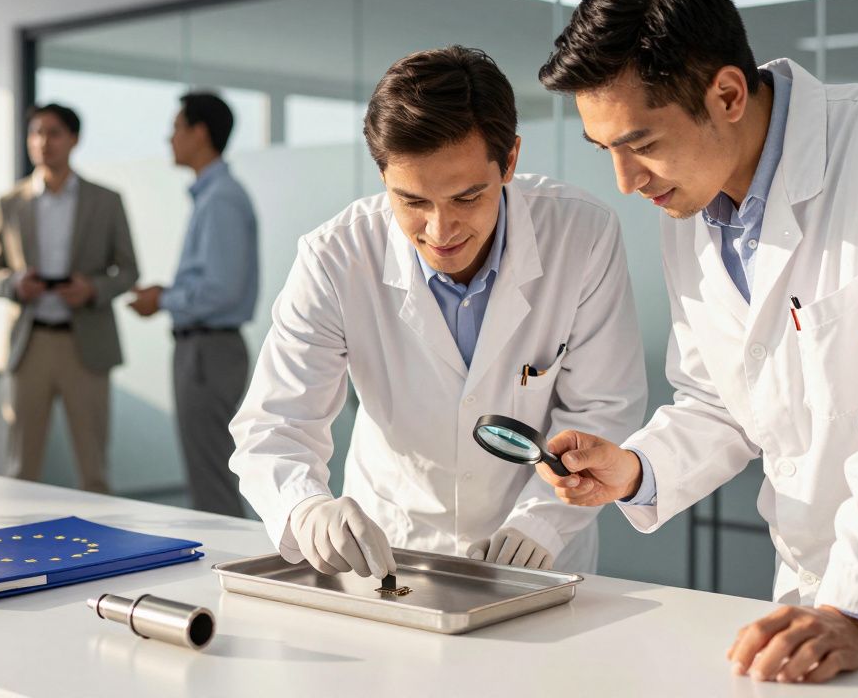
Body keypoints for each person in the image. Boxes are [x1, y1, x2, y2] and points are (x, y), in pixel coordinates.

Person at [536, 0, 858, 684]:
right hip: (815, 588)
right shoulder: (690, 203)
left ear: (728, 93)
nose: (626, 181)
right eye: (606, 151)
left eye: (641, 144)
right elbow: (722, 397)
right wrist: (636, 469)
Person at [229, 46, 647, 579]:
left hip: (540, 556)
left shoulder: (581, 235)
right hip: (391, 552)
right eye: (413, 202)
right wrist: (306, 508)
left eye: (467, 197)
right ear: (383, 178)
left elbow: (603, 408)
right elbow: (276, 425)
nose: (440, 231)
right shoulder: (335, 258)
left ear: (510, 161)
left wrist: (541, 524)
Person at [0, 103, 139, 493]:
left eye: (52, 133)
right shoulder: (10, 202)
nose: (42, 142)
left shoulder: (106, 200)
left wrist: (92, 289)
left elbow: (129, 270)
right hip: (28, 343)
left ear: (74, 139)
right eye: (35, 133)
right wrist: (15, 284)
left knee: (94, 470)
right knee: (21, 466)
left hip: (85, 343)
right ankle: (16, 546)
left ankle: (103, 548)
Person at [129, 93, 259, 517]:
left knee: (211, 477)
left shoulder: (221, 197)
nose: (170, 138)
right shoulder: (213, 195)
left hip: (208, 350)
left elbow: (220, 291)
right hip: (205, 347)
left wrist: (163, 298)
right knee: (209, 473)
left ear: (200, 133)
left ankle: (228, 573)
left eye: (177, 127)